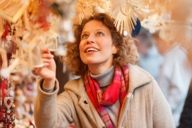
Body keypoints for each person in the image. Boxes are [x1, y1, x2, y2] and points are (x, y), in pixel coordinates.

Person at [33, 13, 175, 128]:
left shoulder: (143, 83)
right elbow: (46, 125)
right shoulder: (74, 94)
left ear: (116, 46)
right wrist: (49, 82)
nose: (89, 40)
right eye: (84, 36)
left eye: (99, 33)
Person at [153, 31, 192, 127]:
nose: (157, 48)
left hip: (172, 118)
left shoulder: (173, 56)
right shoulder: (174, 55)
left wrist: (164, 112)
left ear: (164, 40)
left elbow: (178, 89)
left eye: (157, 43)